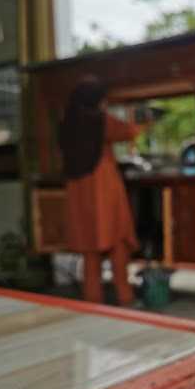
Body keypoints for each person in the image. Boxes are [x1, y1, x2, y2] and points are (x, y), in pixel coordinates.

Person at [58, 76, 142, 306]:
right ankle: (125, 296)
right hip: (104, 189)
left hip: (78, 191)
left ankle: (92, 300)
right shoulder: (101, 121)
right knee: (117, 243)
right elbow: (131, 131)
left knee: (89, 248)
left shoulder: (67, 123)